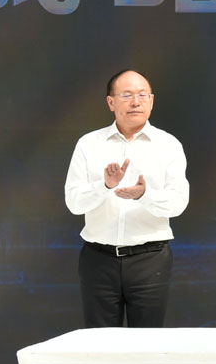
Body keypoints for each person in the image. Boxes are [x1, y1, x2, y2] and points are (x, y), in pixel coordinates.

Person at [63, 69, 190, 328]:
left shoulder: (168, 145)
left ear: (151, 101)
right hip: (99, 259)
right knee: (100, 341)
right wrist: (105, 186)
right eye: (127, 95)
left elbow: (178, 203)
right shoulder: (89, 144)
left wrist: (144, 195)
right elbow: (74, 203)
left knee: (147, 341)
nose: (136, 102)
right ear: (111, 102)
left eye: (143, 95)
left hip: (149, 260)